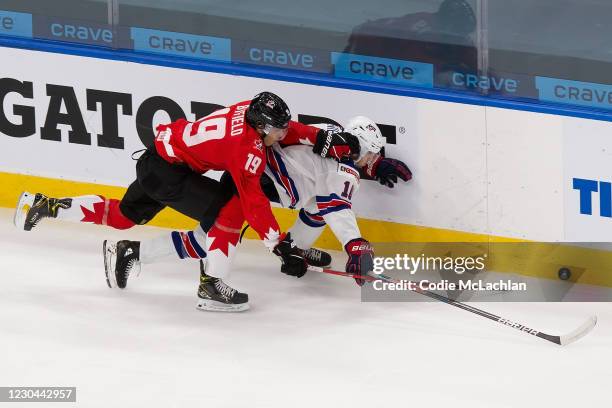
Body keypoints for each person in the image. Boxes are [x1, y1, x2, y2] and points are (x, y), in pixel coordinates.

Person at [14, 92, 360, 311]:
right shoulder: (246, 149)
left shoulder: (248, 114)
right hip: (168, 174)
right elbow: (254, 200)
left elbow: (294, 128)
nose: (283, 136)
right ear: (260, 127)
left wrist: (321, 136)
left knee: (122, 216)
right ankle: (210, 285)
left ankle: (46, 205)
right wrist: (277, 243)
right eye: (277, 131)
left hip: (157, 161)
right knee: (225, 220)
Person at [258, 116, 412, 285]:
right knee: (324, 206)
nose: (372, 157)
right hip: (267, 178)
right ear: (359, 148)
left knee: (317, 206)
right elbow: (337, 208)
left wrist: (372, 164)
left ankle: (297, 248)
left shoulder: (333, 129)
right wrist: (354, 244)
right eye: (370, 153)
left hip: (263, 159)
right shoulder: (341, 170)